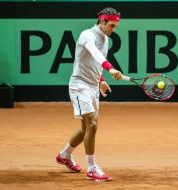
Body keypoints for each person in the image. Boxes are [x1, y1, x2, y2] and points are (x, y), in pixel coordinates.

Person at [56, 7, 122, 182]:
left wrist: (101, 80)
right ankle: (92, 168)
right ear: (102, 21)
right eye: (112, 26)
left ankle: (64, 155)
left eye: (116, 26)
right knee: (92, 123)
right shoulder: (87, 35)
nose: (113, 30)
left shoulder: (105, 40)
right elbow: (95, 54)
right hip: (79, 85)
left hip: (92, 86)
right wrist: (111, 69)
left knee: (86, 128)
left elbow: (95, 63)